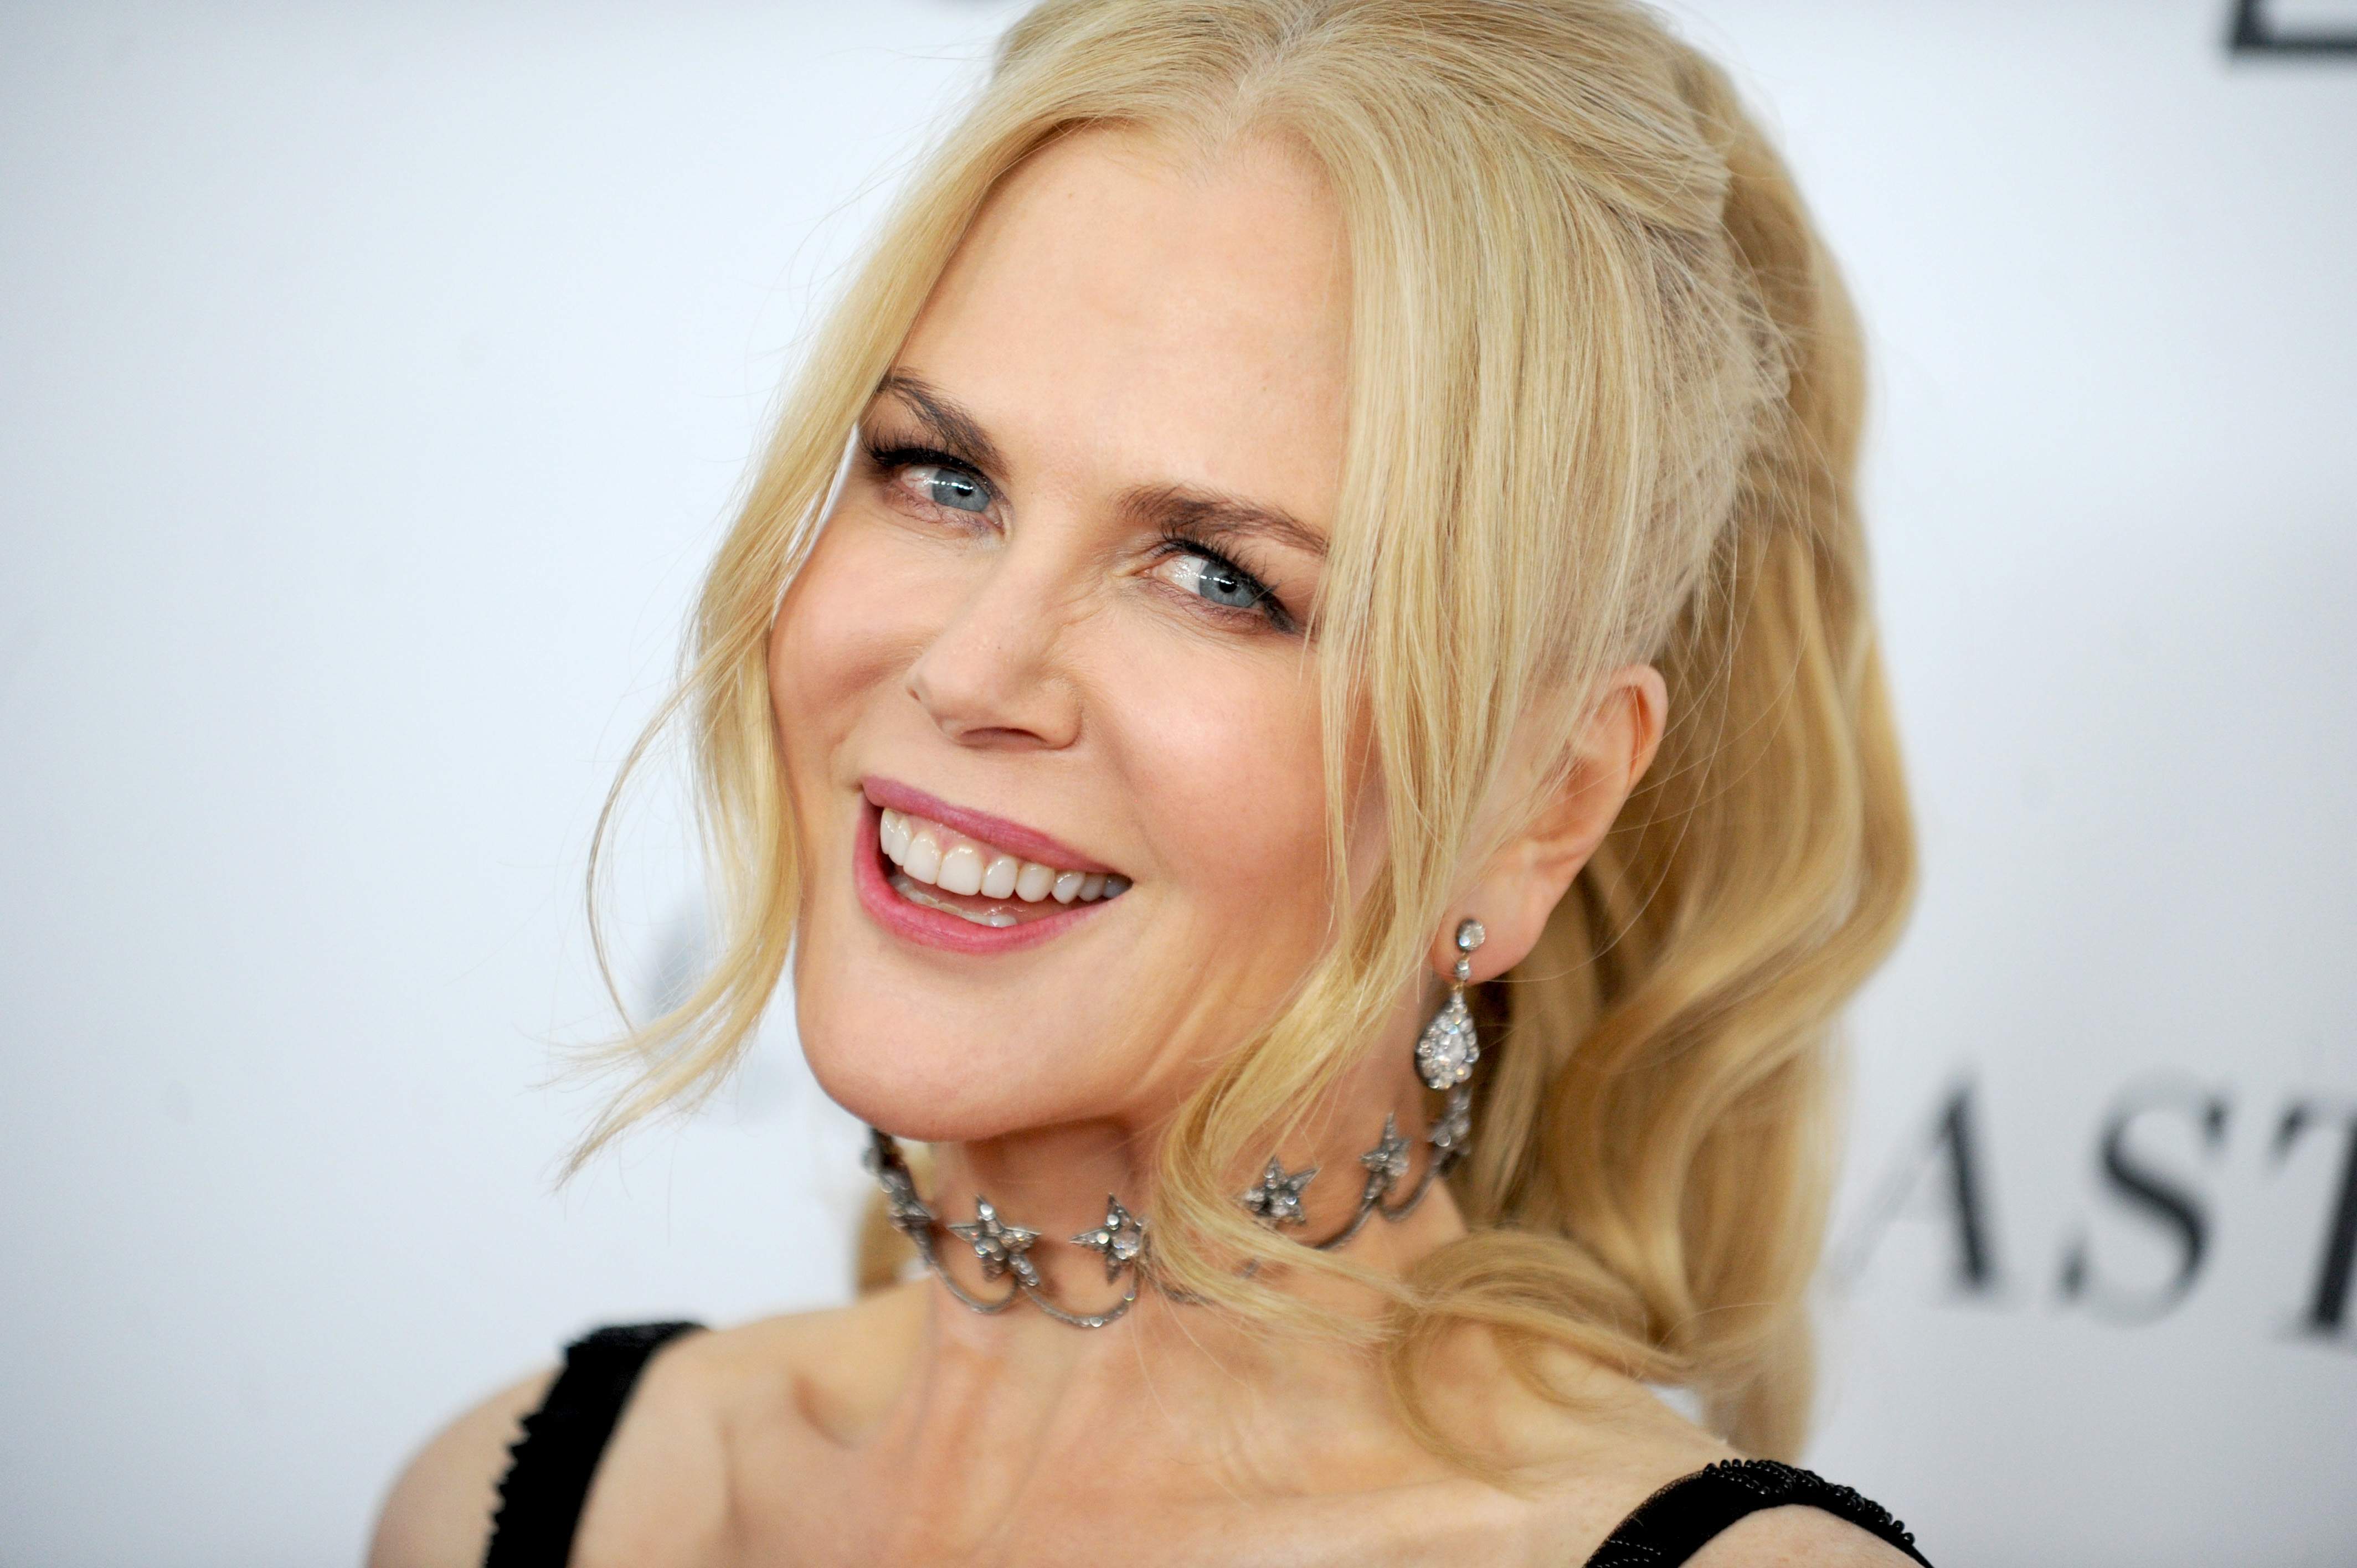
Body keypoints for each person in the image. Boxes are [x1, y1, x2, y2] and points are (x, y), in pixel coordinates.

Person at [371, 1, 1927, 1562]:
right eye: (941, 477)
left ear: (1543, 805)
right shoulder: (539, 1497)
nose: (969, 672)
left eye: (1216, 576)